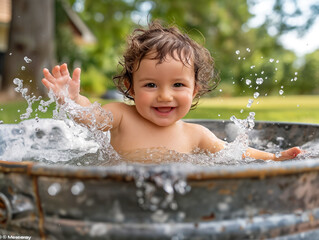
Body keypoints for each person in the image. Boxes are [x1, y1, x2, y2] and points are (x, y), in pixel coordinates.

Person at [42, 21, 301, 163]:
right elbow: (90, 117)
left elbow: (236, 152)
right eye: (151, 85)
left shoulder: (196, 135)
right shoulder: (121, 116)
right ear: (131, 88)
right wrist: (73, 100)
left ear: (194, 90)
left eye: (178, 85)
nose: (165, 96)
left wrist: (274, 157)